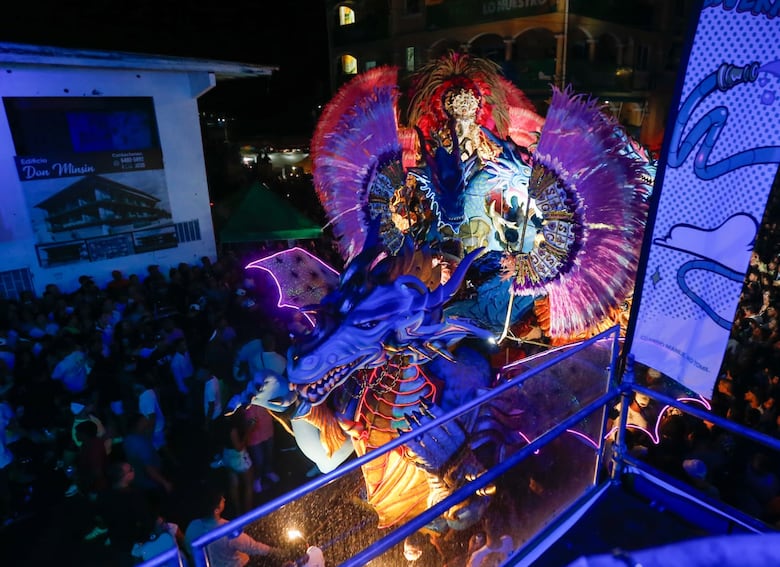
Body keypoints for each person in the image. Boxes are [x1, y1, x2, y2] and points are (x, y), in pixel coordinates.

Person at [184, 485, 282, 567]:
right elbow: (253, 547)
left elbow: (190, 550)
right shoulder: (228, 531)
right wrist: (276, 552)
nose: (224, 499)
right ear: (216, 510)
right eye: (221, 500)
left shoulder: (192, 526)